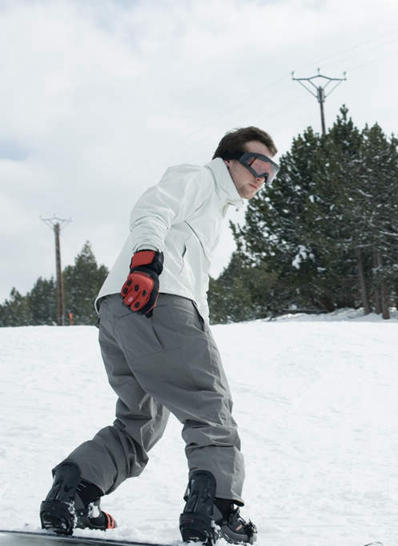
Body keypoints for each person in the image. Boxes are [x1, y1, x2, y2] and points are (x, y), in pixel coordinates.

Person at [39, 127, 278, 545]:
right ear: (228, 159)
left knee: (139, 420)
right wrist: (147, 262)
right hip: (155, 296)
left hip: (119, 311)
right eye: (258, 166)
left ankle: (75, 490)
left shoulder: (214, 210)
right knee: (209, 406)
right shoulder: (200, 178)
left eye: (272, 173)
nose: (263, 178)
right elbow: (152, 209)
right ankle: (215, 508)